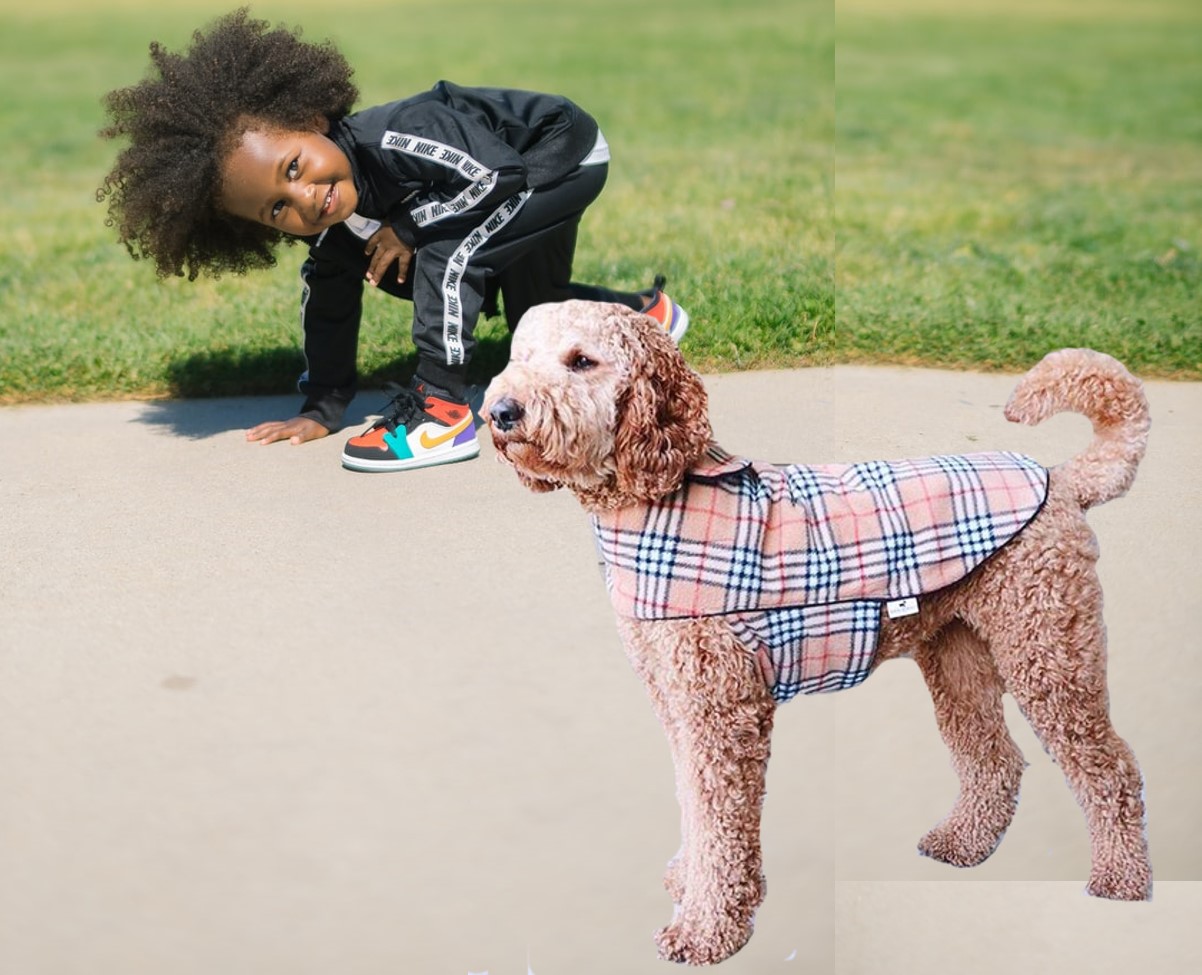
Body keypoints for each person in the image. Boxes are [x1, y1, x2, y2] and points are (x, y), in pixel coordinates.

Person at [98, 8, 689, 473]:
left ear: (312, 119)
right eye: (278, 207)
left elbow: (497, 174)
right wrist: (323, 407)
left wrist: (408, 227)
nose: (304, 198)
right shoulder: (333, 234)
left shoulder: (397, 136)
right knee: (533, 313)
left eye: (296, 166)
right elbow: (327, 309)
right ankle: (642, 317)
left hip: (558, 154)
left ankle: (442, 410)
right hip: (512, 178)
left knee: (446, 252)